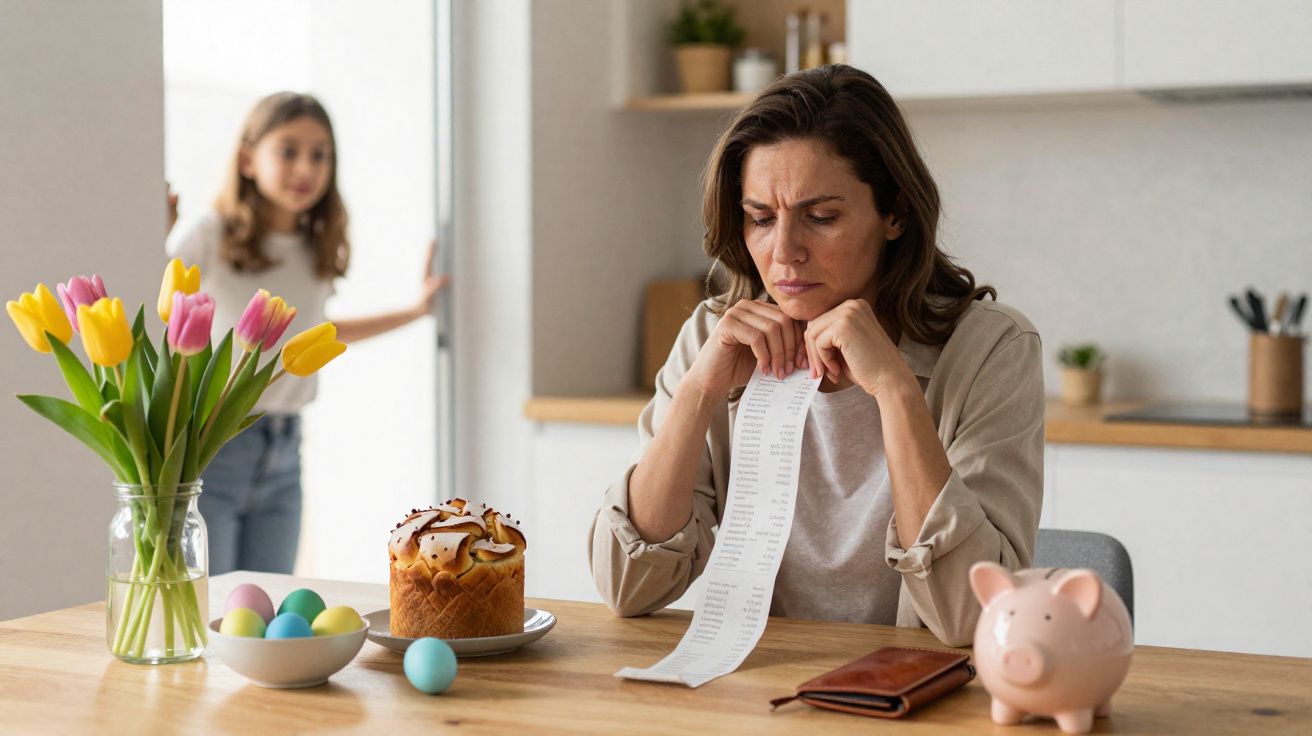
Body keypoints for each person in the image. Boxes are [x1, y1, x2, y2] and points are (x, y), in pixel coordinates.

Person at [588, 65, 1044, 647]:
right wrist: (700, 391)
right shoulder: (713, 337)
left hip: (922, 702)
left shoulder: (990, 351)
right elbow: (629, 587)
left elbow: (972, 618)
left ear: (895, 213)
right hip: (754, 692)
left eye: (821, 217)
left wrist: (897, 391)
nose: (784, 253)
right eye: (760, 219)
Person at [166, 92, 449, 576]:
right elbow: (166, 302)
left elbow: (320, 334)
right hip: (216, 443)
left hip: (284, 447)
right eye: (289, 150)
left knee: (265, 599)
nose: (307, 167)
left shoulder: (314, 245)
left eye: (321, 154)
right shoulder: (210, 234)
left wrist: (415, 311)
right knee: (209, 600)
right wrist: (164, 233)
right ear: (248, 158)